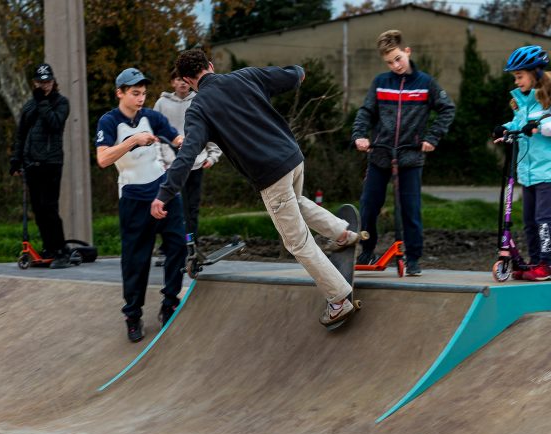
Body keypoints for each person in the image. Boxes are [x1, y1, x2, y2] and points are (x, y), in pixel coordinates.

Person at [150, 49, 362, 328]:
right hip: (294, 157)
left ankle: (338, 300)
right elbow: (293, 74)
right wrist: (299, 70)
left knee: (297, 241)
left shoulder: (198, 109)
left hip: (271, 176)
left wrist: (164, 193)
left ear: (188, 81)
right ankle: (342, 232)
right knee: (295, 201)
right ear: (211, 66)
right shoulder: (245, 76)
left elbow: (187, 155)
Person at [351, 29, 455, 277]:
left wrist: (432, 138)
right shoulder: (380, 82)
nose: (395, 65)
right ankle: (367, 249)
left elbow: (447, 109)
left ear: (407, 51)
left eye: (398, 58)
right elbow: (366, 112)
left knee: (410, 208)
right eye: (389, 62)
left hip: (410, 157)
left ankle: (414, 258)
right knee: (368, 205)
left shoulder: (426, 83)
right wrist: (360, 135)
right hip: (380, 155)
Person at [95, 67, 185, 342]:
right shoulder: (109, 122)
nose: (140, 98)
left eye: (144, 93)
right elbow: (103, 159)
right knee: (136, 261)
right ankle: (133, 315)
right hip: (134, 197)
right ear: (120, 93)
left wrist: (191, 141)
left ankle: (169, 302)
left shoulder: (152, 117)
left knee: (178, 245)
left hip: (163, 191)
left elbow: (176, 138)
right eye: (135, 93)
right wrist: (133, 141)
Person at [493, 45, 551, 281]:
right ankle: (534, 262)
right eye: (515, 77)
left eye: (520, 76)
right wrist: (505, 129)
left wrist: (541, 127)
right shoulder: (525, 101)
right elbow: (519, 124)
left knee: (543, 220)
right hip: (528, 171)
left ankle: (546, 265)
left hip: (550, 171)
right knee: (529, 220)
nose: (517, 81)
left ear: (534, 72)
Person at [10, 63, 72, 268]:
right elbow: (21, 135)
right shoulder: (29, 106)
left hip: (51, 162)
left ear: (53, 82)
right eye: (40, 82)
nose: (44, 86)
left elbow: (55, 123)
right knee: (38, 209)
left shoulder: (61, 103)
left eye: (47, 82)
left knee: (49, 208)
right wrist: (16, 160)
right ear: (34, 83)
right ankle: (49, 247)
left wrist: (43, 102)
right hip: (32, 164)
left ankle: (61, 250)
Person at [154, 69, 222, 236]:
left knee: (192, 206)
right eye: (178, 79)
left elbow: (211, 128)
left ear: (190, 81)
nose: (183, 83)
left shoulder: (199, 99)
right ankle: (170, 247)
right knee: (172, 206)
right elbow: (155, 134)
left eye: (185, 79)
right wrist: (159, 161)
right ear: (172, 83)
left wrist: (213, 156)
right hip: (171, 165)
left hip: (196, 163)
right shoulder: (162, 103)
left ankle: (192, 245)